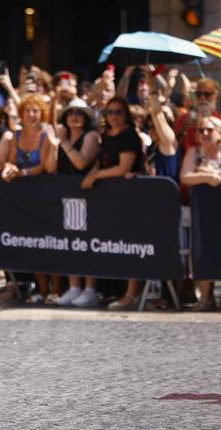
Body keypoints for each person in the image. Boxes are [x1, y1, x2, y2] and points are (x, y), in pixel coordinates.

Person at [179, 116, 221, 311]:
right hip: (203, 212)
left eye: (209, 129)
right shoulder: (194, 151)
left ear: (220, 132)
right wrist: (205, 176)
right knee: (203, 253)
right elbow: (185, 176)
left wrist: (217, 173)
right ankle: (206, 298)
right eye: (201, 130)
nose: (205, 134)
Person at [81, 96, 143, 310]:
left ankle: (131, 294)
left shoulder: (129, 136)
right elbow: (104, 160)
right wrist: (94, 171)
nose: (114, 117)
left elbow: (123, 168)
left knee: (129, 244)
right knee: (108, 244)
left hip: (129, 196)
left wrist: (96, 176)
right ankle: (109, 290)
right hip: (108, 197)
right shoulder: (105, 136)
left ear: (126, 115)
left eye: (118, 112)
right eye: (110, 112)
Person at [2, 94, 53, 303]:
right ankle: (38, 289)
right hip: (22, 198)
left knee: (47, 243)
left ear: (42, 114)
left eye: (35, 111)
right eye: (27, 111)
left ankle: (53, 291)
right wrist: (8, 168)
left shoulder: (46, 135)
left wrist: (22, 173)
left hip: (44, 195)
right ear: (21, 114)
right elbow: (12, 161)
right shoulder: (16, 135)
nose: (31, 115)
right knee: (31, 244)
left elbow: (44, 166)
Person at [51, 98, 101, 307]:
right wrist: (55, 144)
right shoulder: (63, 137)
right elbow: (53, 166)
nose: (74, 117)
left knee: (87, 240)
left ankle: (89, 288)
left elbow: (81, 162)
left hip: (87, 194)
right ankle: (74, 287)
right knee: (69, 239)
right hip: (66, 193)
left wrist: (64, 143)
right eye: (71, 113)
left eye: (79, 114)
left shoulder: (90, 136)